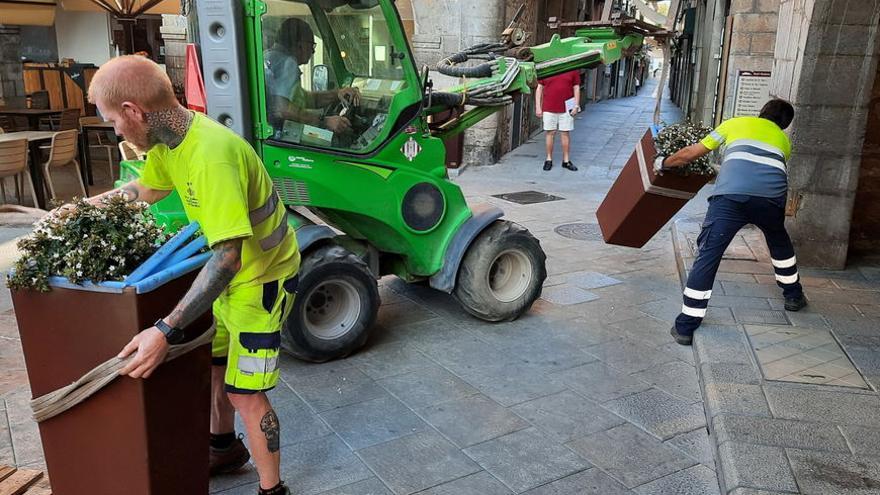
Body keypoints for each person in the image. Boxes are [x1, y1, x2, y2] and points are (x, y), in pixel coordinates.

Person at [83, 55, 300, 495]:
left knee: (245, 393)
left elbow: (227, 259)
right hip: (232, 278)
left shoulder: (211, 157)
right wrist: (88, 208)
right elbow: (147, 189)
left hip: (262, 281)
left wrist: (164, 329)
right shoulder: (168, 142)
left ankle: (273, 490)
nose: (116, 131)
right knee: (217, 366)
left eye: (113, 121)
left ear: (133, 111)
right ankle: (223, 448)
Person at [657, 99, 807, 346]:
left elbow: (691, 153)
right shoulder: (784, 141)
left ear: (761, 111)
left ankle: (686, 325)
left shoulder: (734, 123)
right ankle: (793, 295)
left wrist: (663, 162)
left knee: (709, 254)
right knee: (779, 244)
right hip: (770, 200)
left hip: (730, 199)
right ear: (785, 125)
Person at [264, 17, 359, 135]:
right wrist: (325, 121)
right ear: (300, 45)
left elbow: (306, 99)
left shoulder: (268, 57)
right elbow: (283, 110)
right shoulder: (288, 63)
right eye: (312, 46)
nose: (313, 52)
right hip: (282, 135)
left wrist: (337, 94)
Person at [535, 70, 581, 172]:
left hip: (567, 108)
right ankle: (548, 159)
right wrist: (538, 107)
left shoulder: (573, 69)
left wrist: (576, 105)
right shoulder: (547, 68)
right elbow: (539, 88)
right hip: (548, 107)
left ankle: (566, 161)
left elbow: (576, 87)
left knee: (565, 133)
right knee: (550, 133)